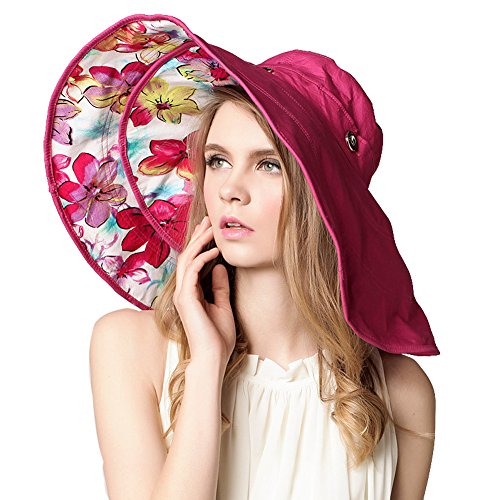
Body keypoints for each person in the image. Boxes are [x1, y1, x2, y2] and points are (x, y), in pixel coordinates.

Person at [44, 14, 439, 500]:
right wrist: (207, 363)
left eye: (268, 165)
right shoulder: (131, 347)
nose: (231, 189)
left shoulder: (399, 393)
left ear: (324, 199)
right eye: (217, 160)